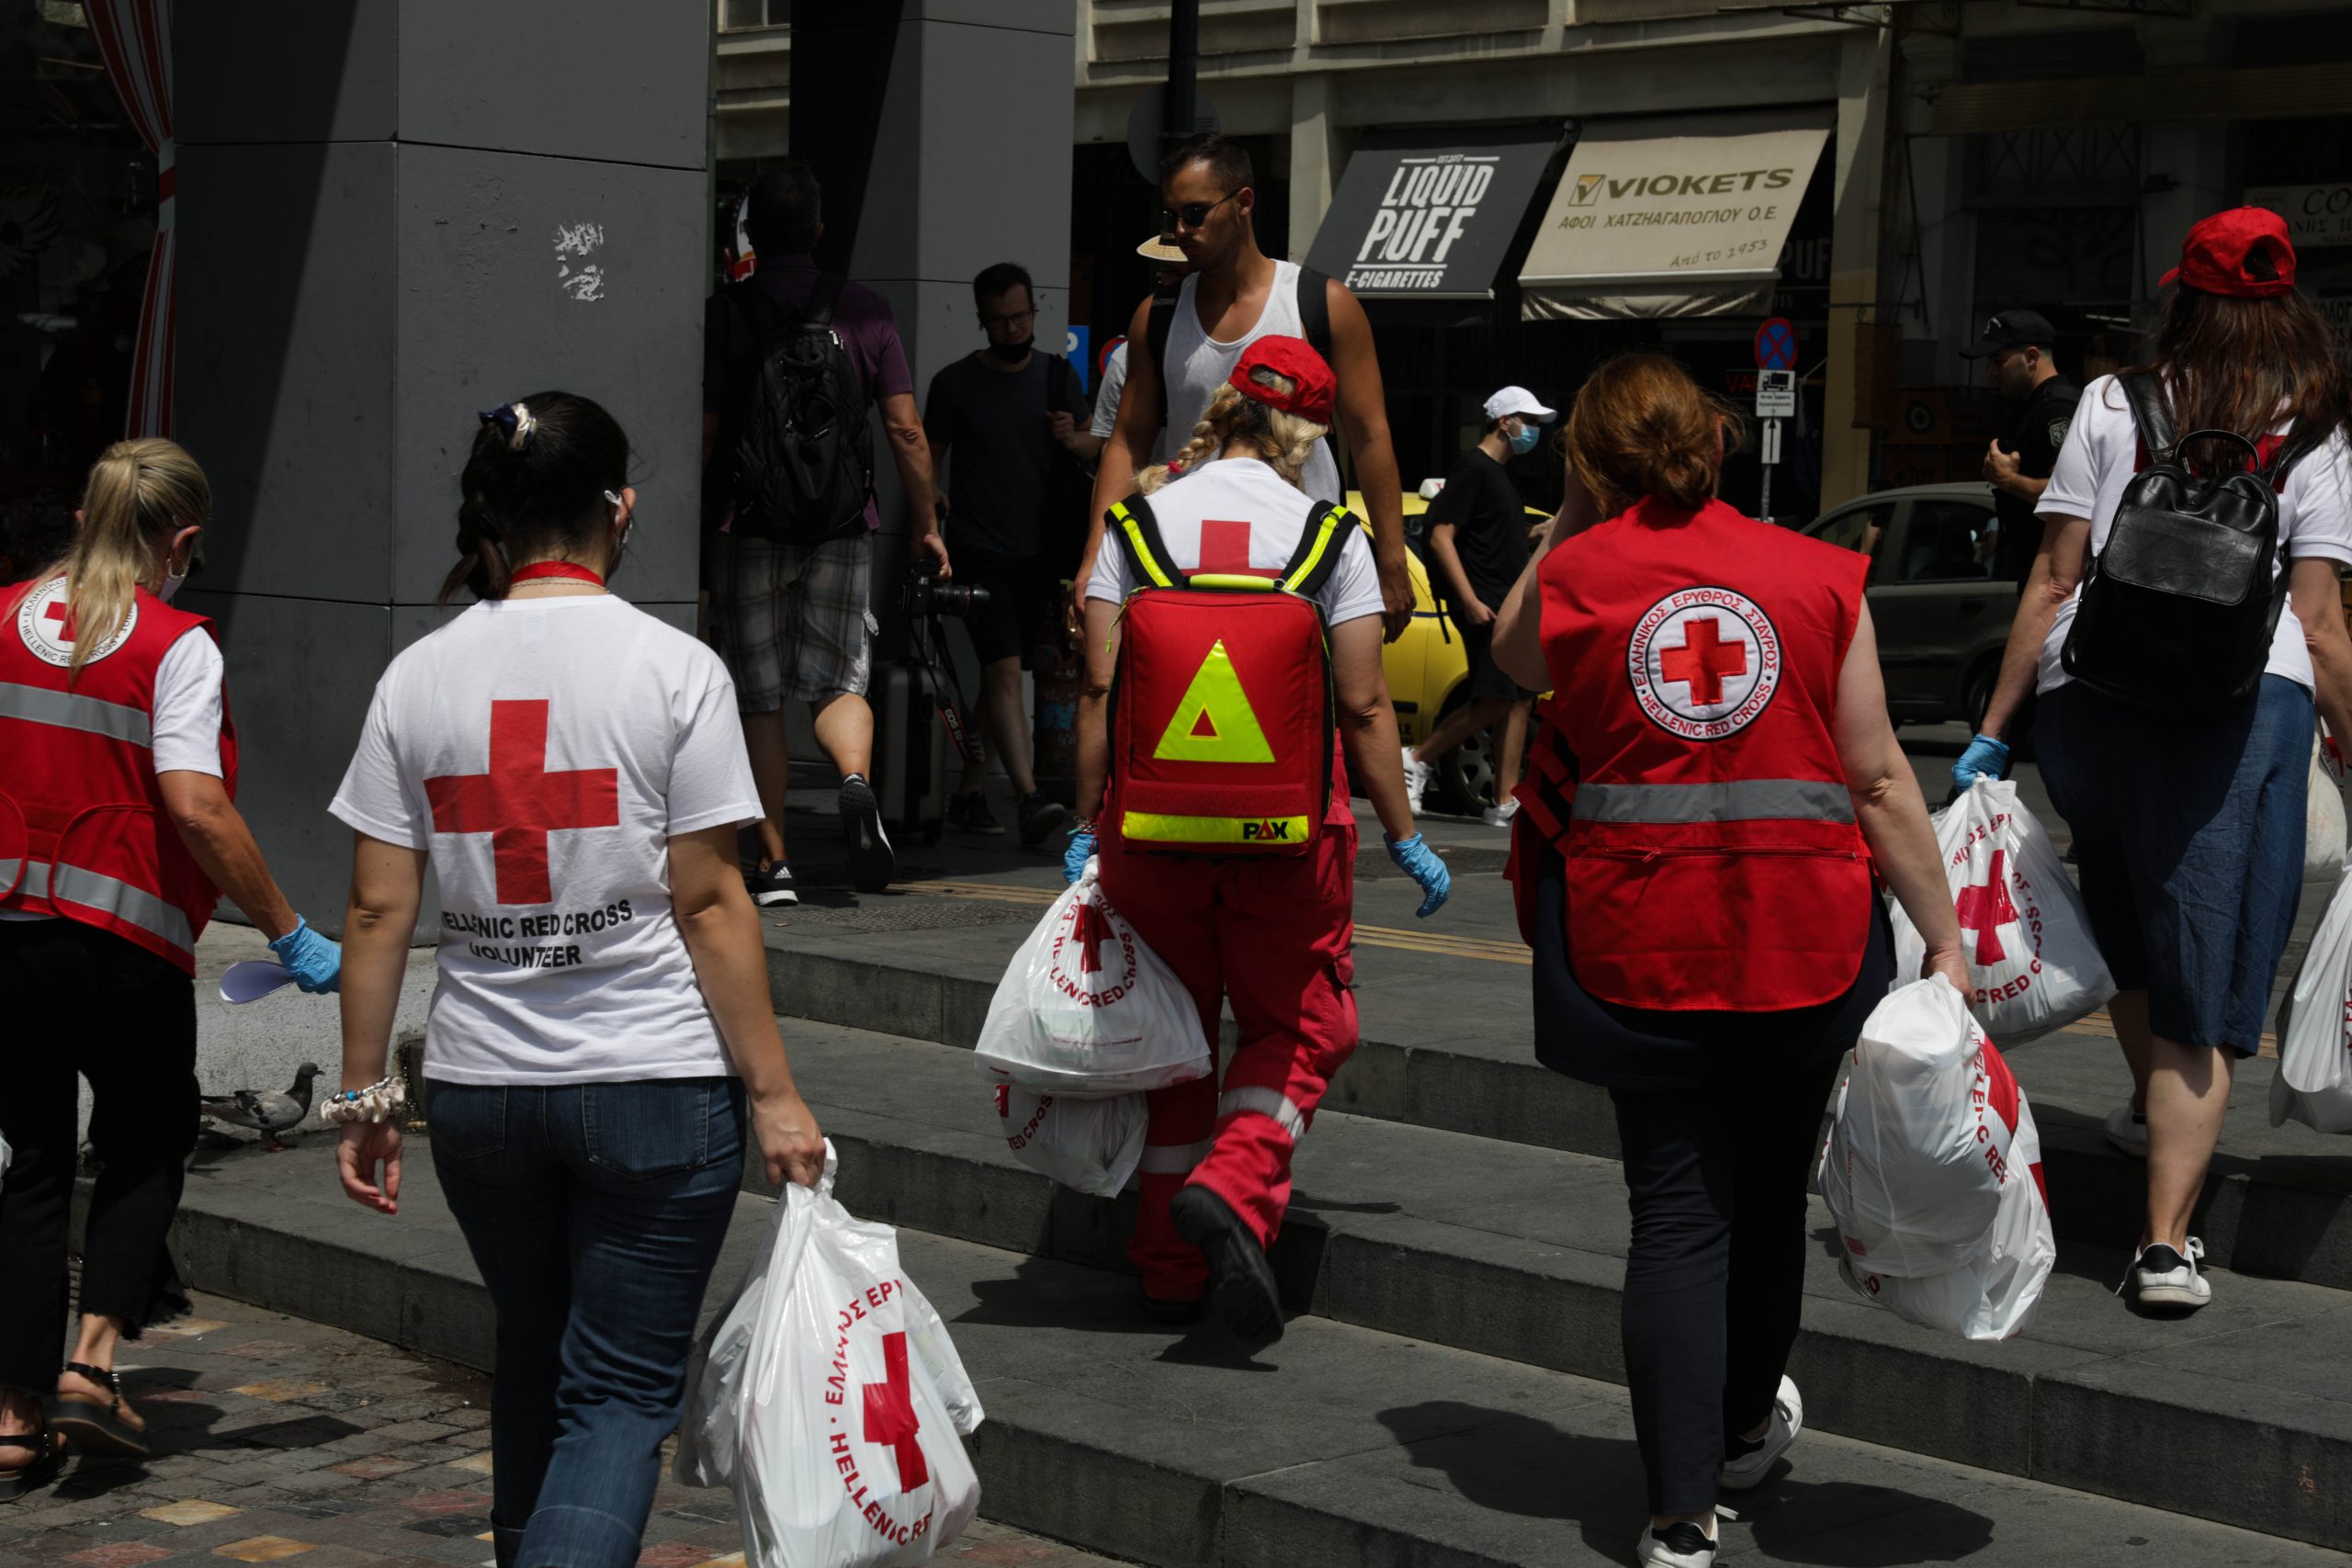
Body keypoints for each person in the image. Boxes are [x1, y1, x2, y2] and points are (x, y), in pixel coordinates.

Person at [329, 393, 827, 1568]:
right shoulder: (675, 670)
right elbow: (709, 902)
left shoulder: (417, 677)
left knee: (535, 1348)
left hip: (482, 1096)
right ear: (623, 509)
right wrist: (775, 1094)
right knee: (614, 1397)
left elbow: (375, 906)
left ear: (496, 516)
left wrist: (362, 1095)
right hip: (654, 1083)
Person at [1488, 354, 1968, 1568]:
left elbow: (1511, 663)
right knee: (1765, 1207)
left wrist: (1581, 517)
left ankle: (1679, 1513)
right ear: (1713, 444)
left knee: (1677, 1217)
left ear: (1588, 462)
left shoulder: (1578, 576)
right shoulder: (1818, 575)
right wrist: (1947, 932)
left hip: (1634, 941)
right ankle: (1746, 1422)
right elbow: (1873, 775)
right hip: (1803, 938)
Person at [1958, 207, 2352, 1313]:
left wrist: (1996, 728)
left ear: (2183, 298)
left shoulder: (2110, 399)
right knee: (2211, 973)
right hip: (2240, 711)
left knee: (2130, 919)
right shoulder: (2319, 431)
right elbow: (2318, 626)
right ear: (2288, 311)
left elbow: (2052, 576)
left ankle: (2150, 1107)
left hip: (2092, 698)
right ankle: (2167, 1245)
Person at [1070, 336, 1450, 1341]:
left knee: (1177, 1047)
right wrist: (1405, 835)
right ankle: (1237, 1189)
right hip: (1290, 841)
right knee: (1305, 1025)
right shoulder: (1329, 539)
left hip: (1147, 838)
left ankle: (1164, 1266)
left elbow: (1100, 688)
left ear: (1227, 407)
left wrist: (1082, 827)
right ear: (1306, 435)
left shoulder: (1134, 524)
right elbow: (1365, 708)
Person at [0, 439, 341, 1497]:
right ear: (180, 540)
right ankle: (92, 1368)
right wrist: (286, 928)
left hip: (7, 945)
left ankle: (12, 1422)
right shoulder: (173, 642)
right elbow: (194, 803)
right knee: (147, 1144)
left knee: (32, 1169)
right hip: (123, 950)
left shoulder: (1, 612)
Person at [702, 158, 946, 902]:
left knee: (762, 694)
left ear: (753, 232)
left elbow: (707, 432)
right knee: (840, 677)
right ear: (816, 229)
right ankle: (853, 779)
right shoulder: (865, 309)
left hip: (750, 524)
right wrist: (927, 525)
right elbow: (905, 430)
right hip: (844, 525)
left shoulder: (729, 311)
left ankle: (774, 863)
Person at [1080, 133, 1413, 644]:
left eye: (1194, 213)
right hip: (1181, 567)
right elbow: (1126, 442)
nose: (1180, 231)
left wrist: (1390, 561)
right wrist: (1094, 560)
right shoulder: (1159, 316)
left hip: (1302, 566)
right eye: (1170, 217)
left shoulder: (1321, 305)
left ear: (1243, 203)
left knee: (1318, 715)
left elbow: (1369, 436)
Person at [926, 263, 1090, 844]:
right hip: (978, 548)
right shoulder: (953, 384)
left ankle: (970, 790)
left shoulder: (1056, 377)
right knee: (1001, 669)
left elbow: (1096, 448)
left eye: (1020, 316)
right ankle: (1028, 797)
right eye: (999, 321)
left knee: (1008, 673)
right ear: (982, 321)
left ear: (1035, 312)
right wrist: (931, 499)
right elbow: (928, 456)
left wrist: (1075, 436)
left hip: (1040, 551)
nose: (1012, 329)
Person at [1403, 386, 1555, 826]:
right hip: (1486, 604)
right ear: (1504, 422)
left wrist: (1534, 534)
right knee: (1492, 699)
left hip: (1505, 603)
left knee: (1519, 697)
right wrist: (1468, 600)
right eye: (1528, 420)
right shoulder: (1474, 468)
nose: (1534, 431)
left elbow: (1489, 538)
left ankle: (1504, 801)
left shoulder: (1501, 476)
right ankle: (1416, 757)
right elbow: (1440, 535)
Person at [1962, 309, 2082, 588]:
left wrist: (2009, 480)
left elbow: (2070, 494)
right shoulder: (2034, 403)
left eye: (1998, 361)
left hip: (2053, 577)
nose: (1990, 372)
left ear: (2031, 358)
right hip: (2034, 568)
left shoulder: (2057, 408)